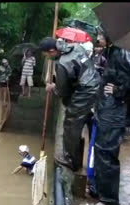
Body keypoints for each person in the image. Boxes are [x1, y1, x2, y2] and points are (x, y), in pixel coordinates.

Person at [39, 37, 100, 172]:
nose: (48, 58)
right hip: (95, 83)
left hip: (85, 91)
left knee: (71, 124)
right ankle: (79, 158)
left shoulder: (62, 63)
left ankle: (71, 160)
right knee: (83, 121)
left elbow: (62, 91)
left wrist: (52, 87)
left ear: (52, 50)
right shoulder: (76, 47)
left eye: (48, 55)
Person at [92, 26, 130, 205]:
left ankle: (109, 201)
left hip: (114, 111)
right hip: (107, 110)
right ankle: (103, 194)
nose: (97, 38)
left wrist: (119, 91)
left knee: (107, 152)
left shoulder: (123, 53)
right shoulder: (113, 51)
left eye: (99, 35)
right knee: (102, 151)